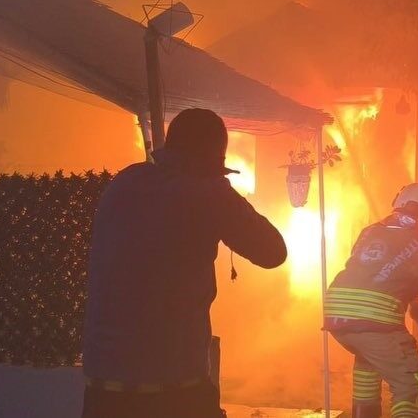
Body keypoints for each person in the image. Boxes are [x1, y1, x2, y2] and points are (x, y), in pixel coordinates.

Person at [82, 108, 287, 418]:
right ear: (213, 159)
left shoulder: (125, 182)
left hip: (104, 391)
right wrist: (221, 188)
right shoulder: (207, 194)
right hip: (173, 390)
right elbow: (273, 251)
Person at [324, 182, 418, 418]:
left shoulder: (369, 232)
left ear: (397, 203)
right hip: (376, 321)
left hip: (336, 312)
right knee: (412, 388)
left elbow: (373, 271)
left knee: (369, 364)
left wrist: (406, 290)